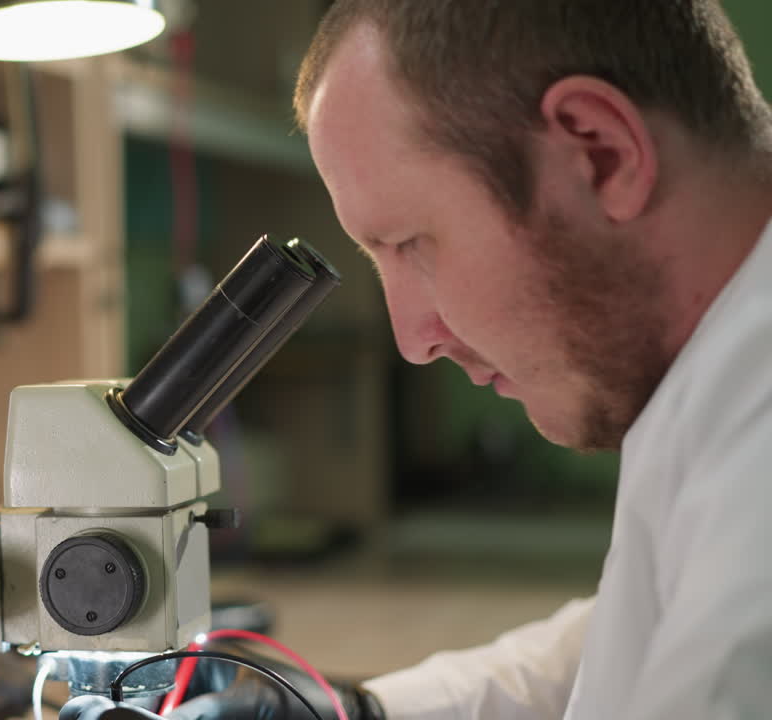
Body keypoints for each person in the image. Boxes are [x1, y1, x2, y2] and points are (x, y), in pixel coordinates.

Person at [283, 0, 772, 718]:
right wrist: (353, 711)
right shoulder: (714, 368)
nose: (414, 340)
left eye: (412, 243)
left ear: (600, 153)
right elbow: (628, 626)